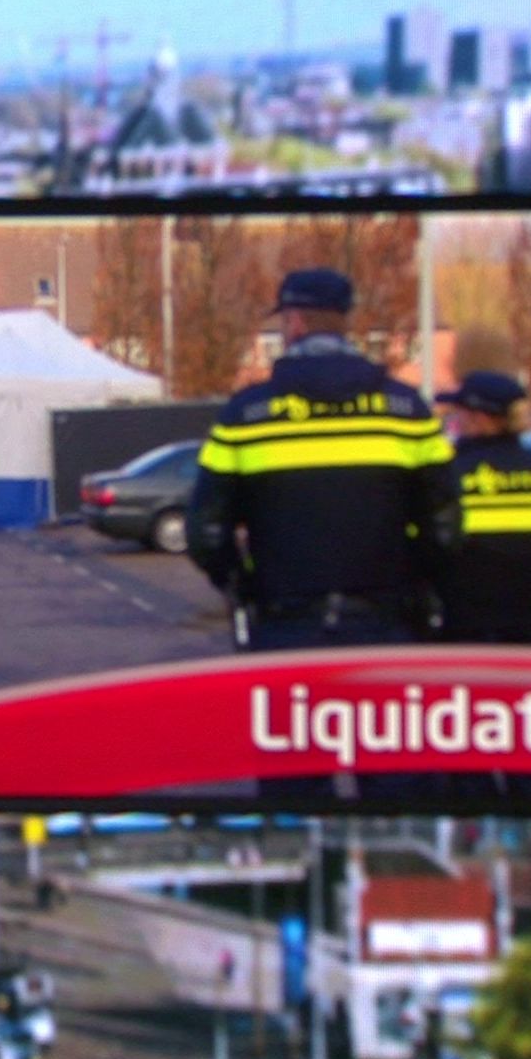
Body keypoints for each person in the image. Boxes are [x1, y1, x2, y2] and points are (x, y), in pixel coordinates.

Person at [187, 268, 459, 802]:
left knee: (296, 791)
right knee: (395, 787)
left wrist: (240, 584)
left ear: (294, 322)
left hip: (286, 628)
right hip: (385, 626)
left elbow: (206, 530)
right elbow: (445, 524)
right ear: (344, 321)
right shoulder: (407, 412)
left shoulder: (246, 416)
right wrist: (419, 583)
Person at [433, 370, 531, 802]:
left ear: (479, 418)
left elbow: (422, 552)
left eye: (458, 414)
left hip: (465, 648)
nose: (454, 423)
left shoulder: (445, 481)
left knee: (468, 777)